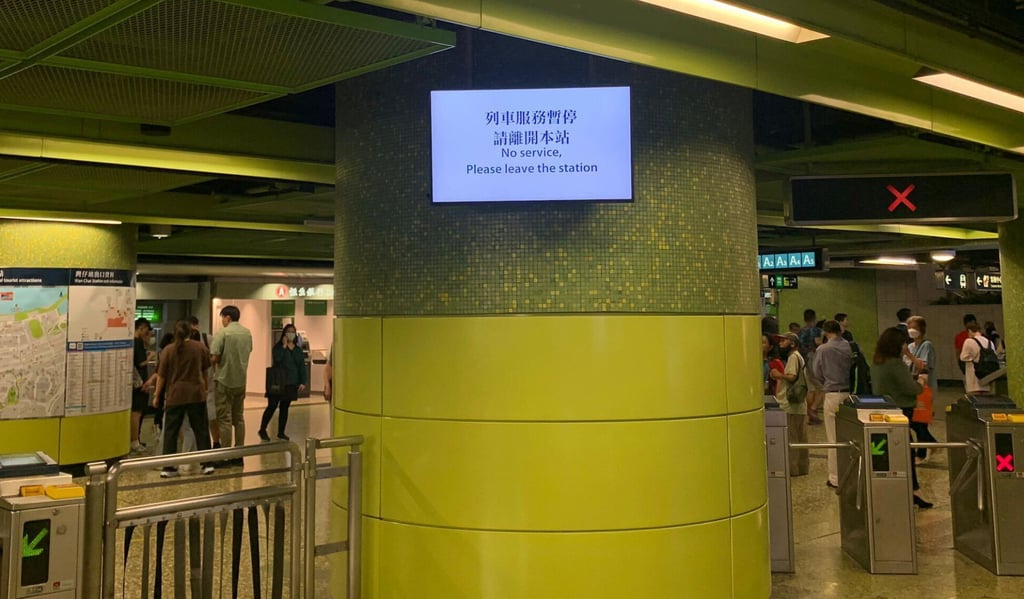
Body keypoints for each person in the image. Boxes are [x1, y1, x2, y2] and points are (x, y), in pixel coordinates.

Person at [870, 327, 933, 509]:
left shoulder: (877, 362)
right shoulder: (895, 364)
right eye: (903, 343)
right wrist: (920, 384)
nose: (905, 345)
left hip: (882, 410)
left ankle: (895, 488)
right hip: (900, 411)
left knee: (888, 451)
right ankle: (913, 490)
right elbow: (909, 388)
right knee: (906, 450)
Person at [152, 320, 214, 478]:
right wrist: (205, 388)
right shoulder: (200, 347)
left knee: (170, 431)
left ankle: (168, 467)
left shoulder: (168, 350)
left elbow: (162, 376)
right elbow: (205, 370)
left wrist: (157, 395)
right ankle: (206, 464)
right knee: (201, 429)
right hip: (196, 393)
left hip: (175, 395)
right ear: (191, 333)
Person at [210, 305, 253, 464]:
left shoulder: (223, 333)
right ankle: (239, 455)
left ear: (227, 317)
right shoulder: (247, 333)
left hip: (224, 381)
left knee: (224, 419)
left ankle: (225, 456)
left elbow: (214, 357)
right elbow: (248, 351)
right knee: (239, 418)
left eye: (222, 318)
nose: (222, 321)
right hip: (241, 381)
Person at [813, 319, 852, 490]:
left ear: (825, 331)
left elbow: (817, 372)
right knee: (850, 436)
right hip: (850, 394)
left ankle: (835, 477)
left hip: (833, 394)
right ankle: (851, 471)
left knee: (833, 438)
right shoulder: (849, 346)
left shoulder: (823, 349)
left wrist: (827, 381)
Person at [769, 332, 809, 476]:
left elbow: (791, 377)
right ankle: (802, 468)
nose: (780, 344)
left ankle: (793, 469)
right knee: (800, 437)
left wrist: (778, 375)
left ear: (792, 343)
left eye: (784, 341)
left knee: (792, 438)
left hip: (791, 404)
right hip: (799, 405)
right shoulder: (799, 357)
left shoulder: (793, 357)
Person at [259, 324, 307, 442]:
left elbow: (301, 366)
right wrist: (284, 347)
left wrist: (302, 381)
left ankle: (281, 432)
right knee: (272, 406)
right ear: (284, 334)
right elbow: (277, 360)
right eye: (288, 331)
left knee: (284, 408)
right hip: (278, 382)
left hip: (291, 383)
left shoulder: (297, 350)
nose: (290, 334)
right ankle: (262, 429)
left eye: (293, 332)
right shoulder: (278, 348)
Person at [907, 316, 939, 464]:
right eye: (909, 327)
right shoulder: (911, 346)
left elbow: (923, 366)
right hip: (911, 389)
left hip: (924, 388)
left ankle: (921, 453)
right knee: (912, 420)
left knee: (920, 421)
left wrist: (908, 355)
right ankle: (932, 444)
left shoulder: (927, 345)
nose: (911, 330)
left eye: (914, 327)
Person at [189, 316, 221, 449]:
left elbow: (216, 356)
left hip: (209, 382)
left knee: (212, 416)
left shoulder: (207, 339)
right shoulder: (184, 342)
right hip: (192, 384)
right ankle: (199, 444)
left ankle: (216, 442)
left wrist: (205, 363)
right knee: (195, 417)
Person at [130, 318, 154, 454]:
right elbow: (141, 363)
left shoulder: (133, 341)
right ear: (141, 328)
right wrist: (150, 357)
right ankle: (134, 441)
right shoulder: (137, 342)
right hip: (138, 383)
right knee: (137, 412)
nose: (147, 333)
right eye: (146, 330)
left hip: (135, 383)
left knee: (137, 412)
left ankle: (135, 439)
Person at [798, 309, 825, 425]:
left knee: (811, 388)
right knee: (823, 387)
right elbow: (818, 342)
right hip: (813, 356)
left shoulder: (801, 331)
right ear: (814, 318)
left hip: (804, 358)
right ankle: (813, 409)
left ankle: (811, 414)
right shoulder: (816, 330)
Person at [960, 322, 994, 395]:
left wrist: (973, 358)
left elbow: (963, 357)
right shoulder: (989, 342)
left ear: (969, 331)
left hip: (973, 377)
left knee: (974, 401)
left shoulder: (969, 341)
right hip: (987, 377)